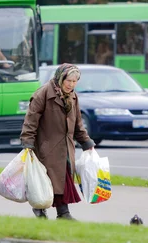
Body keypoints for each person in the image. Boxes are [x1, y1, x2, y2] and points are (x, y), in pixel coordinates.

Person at [20, 63, 95, 220]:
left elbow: (78, 123)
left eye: (75, 81)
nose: (72, 85)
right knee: (45, 180)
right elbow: (31, 119)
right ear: (61, 78)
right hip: (46, 146)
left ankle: (63, 213)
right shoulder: (43, 94)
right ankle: (40, 209)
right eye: (69, 81)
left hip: (66, 147)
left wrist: (86, 142)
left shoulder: (73, 96)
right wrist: (28, 141)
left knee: (64, 179)